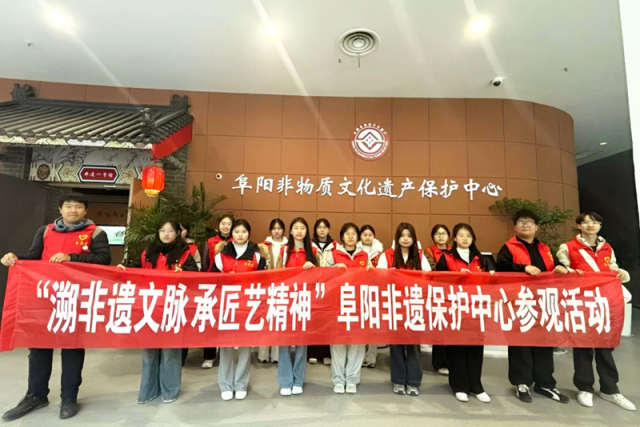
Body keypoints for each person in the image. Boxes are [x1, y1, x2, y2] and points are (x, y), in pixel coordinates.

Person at [1, 192, 111, 421]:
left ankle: (69, 398)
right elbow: (33, 257)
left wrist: (72, 257)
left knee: (72, 348)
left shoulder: (96, 233)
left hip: (75, 298)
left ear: (85, 211)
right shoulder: (45, 231)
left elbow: (103, 260)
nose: (73, 210)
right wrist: (14, 258)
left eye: (78, 206)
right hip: (44, 297)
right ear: (60, 209)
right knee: (38, 347)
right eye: (68, 206)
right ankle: (36, 395)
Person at [557, 212, 636, 411]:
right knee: (582, 346)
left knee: (605, 346)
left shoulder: (607, 247)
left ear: (600, 226)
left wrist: (620, 273)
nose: (591, 225)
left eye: (595, 222)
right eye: (586, 222)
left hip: (605, 302)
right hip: (581, 303)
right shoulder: (567, 247)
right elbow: (562, 272)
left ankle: (610, 389)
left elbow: (612, 267)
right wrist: (569, 273)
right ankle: (584, 388)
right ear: (579, 225)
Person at [117, 221, 198, 404]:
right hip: (149, 308)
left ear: (177, 233)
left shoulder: (185, 254)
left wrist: (184, 272)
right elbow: (133, 268)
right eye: (162, 230)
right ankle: (149, 390)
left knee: (171, 351)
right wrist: (123, 268)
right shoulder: (147, 252)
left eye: (170, 230)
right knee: (149, 351)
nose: (166, 234)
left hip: (173, 307)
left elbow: (195, 276)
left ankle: (170, 391)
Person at [496, 209, 570, 404]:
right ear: (515, 227)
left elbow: (554, 268)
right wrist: (523, 268)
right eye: (521, 222)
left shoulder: (545, 248)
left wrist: (561, 269)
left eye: (530, 222)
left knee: (544, 343)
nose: (525, 225)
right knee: (520, 344)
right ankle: (521, 383)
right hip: (519, 302)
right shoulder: (508, 247)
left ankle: (545, 383)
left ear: (537, 227)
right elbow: (501, 268)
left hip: (544, 303)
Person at [435, 223, 493, 403]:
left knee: (476, 347)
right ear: (454, 238)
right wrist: (456, 275)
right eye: (461, 235)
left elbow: (494, 281)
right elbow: (438, 281)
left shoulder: (482, 259)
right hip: (455, 308)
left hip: (476, 308)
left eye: (468, 235)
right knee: (457, 348)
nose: (465, 238)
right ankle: (459, 386)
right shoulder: (446, 258)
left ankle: (476, 386)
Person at [210, 219, 267, 401]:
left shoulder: (257, 255)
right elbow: (210, 281)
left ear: (249, 233)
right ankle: (226, 384)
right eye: (236, 231)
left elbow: (264, 281)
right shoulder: (221, 255)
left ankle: (241, 383)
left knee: (244, 346)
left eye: (244, 231)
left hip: (248, 307)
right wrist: (226, 279)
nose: (240, 235)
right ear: (231, 234)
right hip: (227, 306)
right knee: (225, 346)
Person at [377, 223, 432, 397]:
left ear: (414, 238)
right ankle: (398, 380)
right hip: (395, 305)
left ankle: (414, 381)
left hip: (415, 305)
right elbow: (378, 277)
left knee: (414, 345)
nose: (406, 239)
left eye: (409, 235)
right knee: (396, 344)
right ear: (397, 238)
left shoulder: (420, 255)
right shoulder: (387, 255)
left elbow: (429, 276)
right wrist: (388, 274)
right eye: (402, 235)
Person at [324, 223, 371, 394]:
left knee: (356, 343)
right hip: (338, 304)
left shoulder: (364, 255)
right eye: (347, 233)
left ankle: (352, 379)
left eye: (353, 233)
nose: (350, 236)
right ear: (342, 236)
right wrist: (333, 269)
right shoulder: (334, 254)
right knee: (338, 343)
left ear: (358, 237)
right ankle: (338, 379)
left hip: (358, 304)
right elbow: (323, 276)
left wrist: (371, 271)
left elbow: (372, 278)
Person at [275, 217, 318, 396]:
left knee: (301, 342)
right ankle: (285, 380)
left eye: (303, 228)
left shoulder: (313, 251)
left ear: (307, 231)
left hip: (305, 300)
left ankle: (298, 380)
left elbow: (321, 278)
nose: (299, 231)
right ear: (291, 231)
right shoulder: (284, 251)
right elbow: (276, 275)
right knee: (284, 342)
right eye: (296, 228)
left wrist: (313, 267)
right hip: (286, 300)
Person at [200, 213, 234, 369]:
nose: (226, 227)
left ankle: (225, 354)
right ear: (218, 226)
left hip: (231, 286)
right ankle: (209, 356)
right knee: (210, 320)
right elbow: (205, 263)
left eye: (229, 224)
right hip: (212, 285)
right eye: (223, 224)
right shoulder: (210, 241)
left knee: (227, 319)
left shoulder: (237, 241)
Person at [258, 219, 288, 364]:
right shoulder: (263, 246)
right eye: (274, 228)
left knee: (279, 319)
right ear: (270, 230)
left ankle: (276, 355)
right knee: (266, 319)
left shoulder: (288, 246)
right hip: (266, 286)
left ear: (283, 230)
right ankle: (263, 354)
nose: (277, 231)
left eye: (279, 228)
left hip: (283, 285)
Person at [308, 218, 335, 365]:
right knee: (313, 320)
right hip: (313, 287)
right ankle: (312, 352)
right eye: (319, 227)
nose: (322, 230)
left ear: (329, 229)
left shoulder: (336, 246)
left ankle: (326, 353)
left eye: (325, 227)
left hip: (330, 287)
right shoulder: (309, 245)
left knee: (327, 321)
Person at [425, 224, 451, 376]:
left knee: (452, 328)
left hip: (453, 294)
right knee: (440, 328)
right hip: (436, 293)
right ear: (433, 237)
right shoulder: (427, 252)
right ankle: (440, 362)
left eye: (444, 233)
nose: (441, 236)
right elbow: (431, 271)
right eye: (437, 233)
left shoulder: (454, 251)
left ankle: (452, 360)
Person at [357, 225, 384, 368]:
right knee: (360, 325)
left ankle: (371, 357)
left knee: (372, 324)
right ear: (360, 236)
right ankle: (360, 357)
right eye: (364, 234)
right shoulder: (356, 251)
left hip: (375, 290)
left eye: (370, 235)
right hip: (358, 290)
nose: (367, 237)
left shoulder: (380, 252)